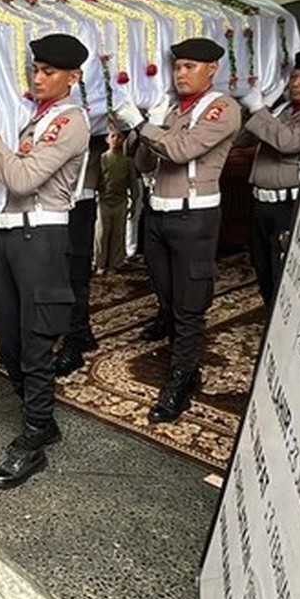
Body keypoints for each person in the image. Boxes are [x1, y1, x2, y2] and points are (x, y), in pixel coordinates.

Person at [0, 33, 90, 489]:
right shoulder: (36, 120)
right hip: (11, 236)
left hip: (41, 236)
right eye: (35, 70)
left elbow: (20, 179)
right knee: (7, 334)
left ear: (72, 77)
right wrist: (5, 155)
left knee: (35, 339)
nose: (37, 78)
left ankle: (35, 434)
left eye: (48, 72)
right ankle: (40, 417)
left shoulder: (69, 121)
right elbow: (3, 169)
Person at [118, 37, 242, 424]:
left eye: (190, 66)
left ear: (212, 69)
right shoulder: (172, 109)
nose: (181, 74)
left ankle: (181, 380)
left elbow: (181, 151)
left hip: (194, 218)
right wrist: (149, 127)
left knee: (189, 307)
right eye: (177, 66)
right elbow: (143, 164)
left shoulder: (222, 108)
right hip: (158, 215)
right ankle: (187, 368)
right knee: (168, 301)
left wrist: (142, 125)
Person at [235, 44, 300, 306]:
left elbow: (288, 142)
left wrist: (259, 110)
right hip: (260, 203)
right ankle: (270, 314)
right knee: (262, 267)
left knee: (284, 270)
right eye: (293, 77)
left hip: (290, 205)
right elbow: (240, 140)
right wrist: (258, 107)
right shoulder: (281, 110)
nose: (296, 83)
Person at [52, 134, 103, 377]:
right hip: (57, 197)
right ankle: (80, 331)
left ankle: (75, 339)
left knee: (75, 273)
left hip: (80, 198)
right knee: (62, 271)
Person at [94, 130, 141, 275]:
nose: (115, 139)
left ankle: (114, 263)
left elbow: (133, 183)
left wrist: (134, 202)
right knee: (101, 234)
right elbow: (96, 179)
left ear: (123, 140)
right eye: (112, 136)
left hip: (121, 201)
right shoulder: (101, 159)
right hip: (103, 201)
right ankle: (100, 263)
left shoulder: (128, 162)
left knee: (118, 233)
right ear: (107, 139)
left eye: (119, 137)